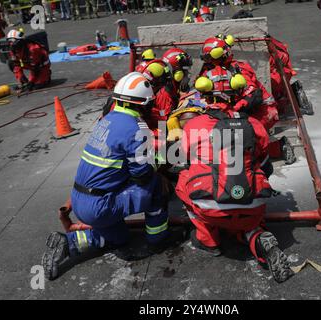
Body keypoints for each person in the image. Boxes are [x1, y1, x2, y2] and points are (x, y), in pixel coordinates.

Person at [42, 72, 182, 280]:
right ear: (143, 104)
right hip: (101, 206)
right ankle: (159, 239)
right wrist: (163, 161)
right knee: (156, 186)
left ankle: (67, 243)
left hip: (81, 200)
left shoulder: (107, 120)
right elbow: (142, 175)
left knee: (119, 239)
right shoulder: (136, 128)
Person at [175, 65, 293, 283]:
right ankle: (256, 235)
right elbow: (265, 163)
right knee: (251, 194)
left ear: (205, 97)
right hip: (252, 204)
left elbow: (185, 159)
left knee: (184, 180)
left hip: (211, 207)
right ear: (237, 94)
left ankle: (208, 240)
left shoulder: (194, 125)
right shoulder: (254, 124)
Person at [199, 35, 296, 164]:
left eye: (211, 58)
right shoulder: (208, 71)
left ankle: (278, 147)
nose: (209, 61)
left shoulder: (239, 69)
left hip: (262, 110)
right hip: (231, 111)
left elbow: (254, 96)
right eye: (207, 58)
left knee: (247, 137)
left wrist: (233, 111)